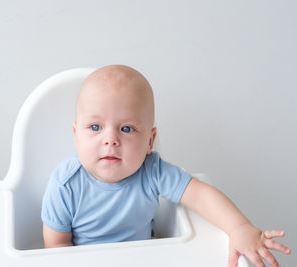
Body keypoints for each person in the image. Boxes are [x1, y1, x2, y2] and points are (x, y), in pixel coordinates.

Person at [41, 65, 291, 267]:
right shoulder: (65, 184)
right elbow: (56, 247)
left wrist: (239, 228)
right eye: (95, 127)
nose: (110, 139)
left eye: (126, 128)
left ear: (150, 140)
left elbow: (201, 195)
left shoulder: (152, 171)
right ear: (76, 135)